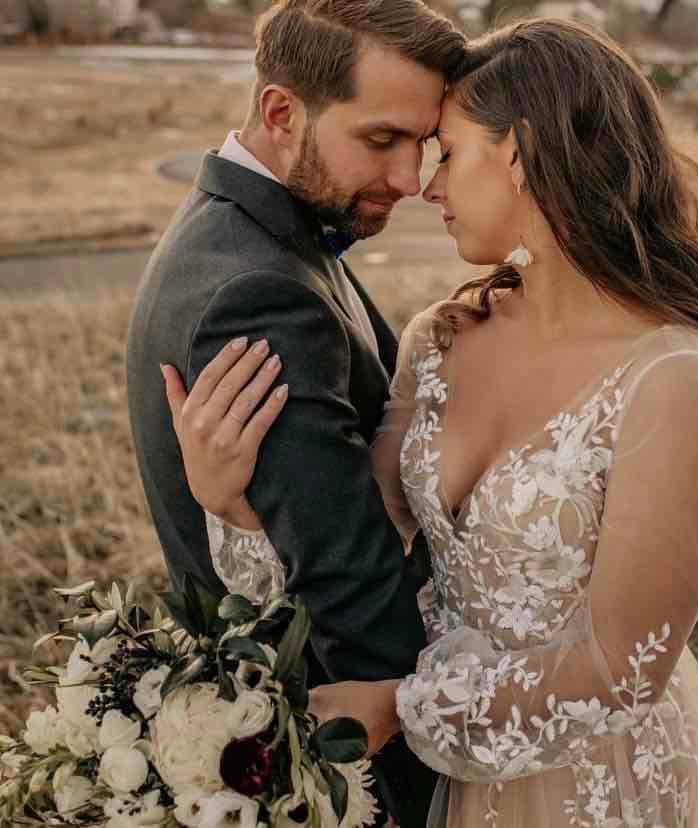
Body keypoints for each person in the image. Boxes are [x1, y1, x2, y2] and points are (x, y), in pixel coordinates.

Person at [162, 18, 698, 828]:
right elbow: (362, 537)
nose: (426, 183)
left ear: (520, 155)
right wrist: (231, 505)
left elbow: (621, 672)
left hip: (603, 785)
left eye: (447, 151)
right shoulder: (443, 338)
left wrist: (403, 709)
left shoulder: (677, 381)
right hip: (450, 788)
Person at [126, 2, 466, 824]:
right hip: (344, 753)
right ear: (283, 113)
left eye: (421, 143)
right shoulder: (259, 293)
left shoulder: (252, 232)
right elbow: (348, 584)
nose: (407, 179)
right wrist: (430, 783)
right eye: (381, 139)